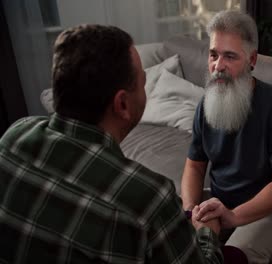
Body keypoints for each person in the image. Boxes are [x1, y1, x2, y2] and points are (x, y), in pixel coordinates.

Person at [0, 24, 223, 264]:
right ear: (122, 105)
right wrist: (207, 232)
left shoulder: (14, 136)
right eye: (143, 82)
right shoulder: (148, 198)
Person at [181, 10, 272, 264]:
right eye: (213, 55)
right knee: (178, 242)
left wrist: (234, 216)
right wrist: (192, 210)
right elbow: (194, 165)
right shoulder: (206, 104)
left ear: (252, 59)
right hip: (219, 198)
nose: (218, 66)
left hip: (270, 210)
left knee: (234, 258)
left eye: (230, 56)